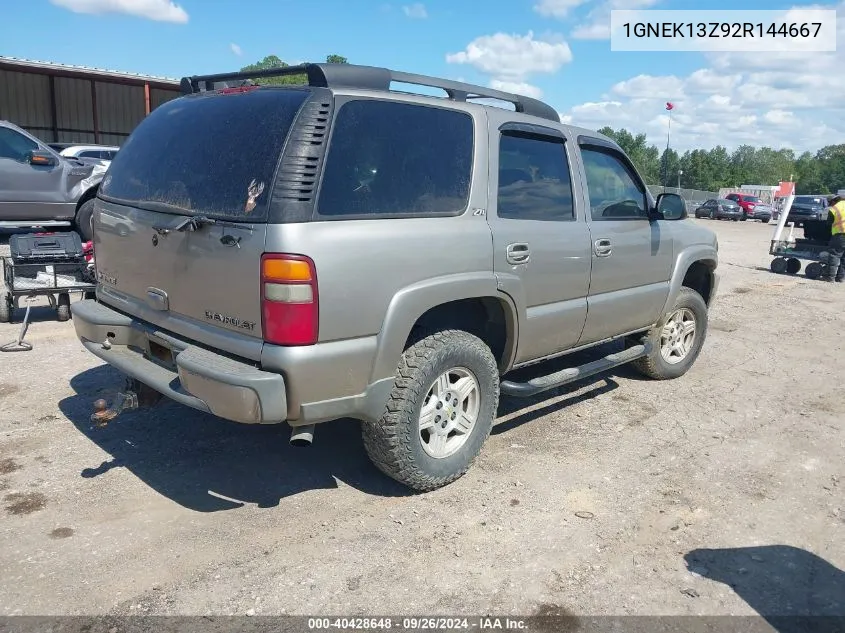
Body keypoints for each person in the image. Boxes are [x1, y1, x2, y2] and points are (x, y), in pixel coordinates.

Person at [822, 195, 845, 282]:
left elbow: (828, 223)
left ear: (833, 201)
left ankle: (830, 277)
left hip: (840, 235)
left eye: (830, 203)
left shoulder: (834, 208)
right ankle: (841, 278)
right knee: (844, 257)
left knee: (835, 255)